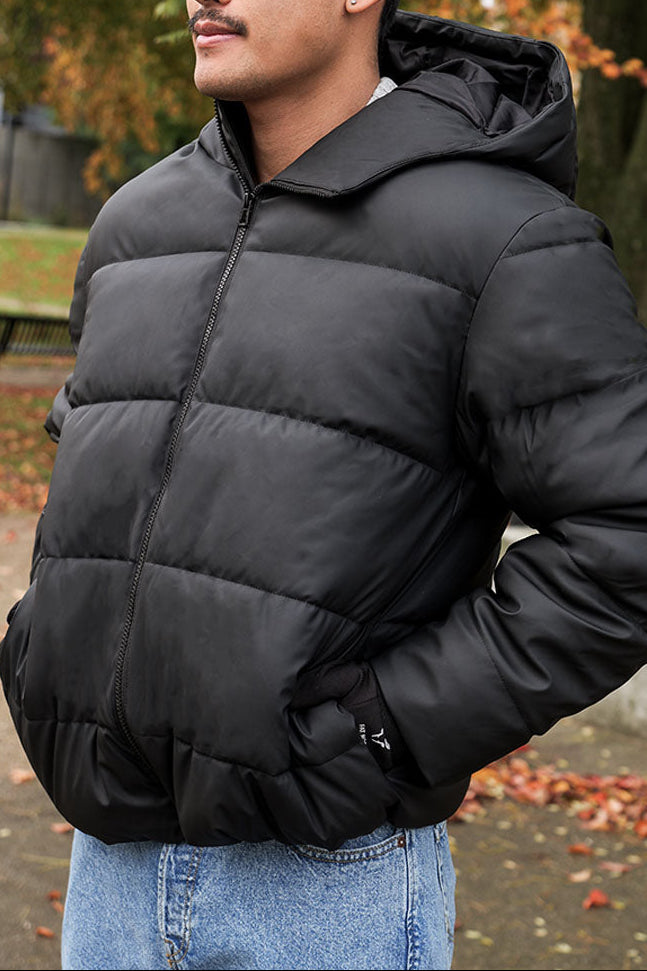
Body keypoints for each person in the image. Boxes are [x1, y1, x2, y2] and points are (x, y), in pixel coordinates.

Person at [2, 0, 647, 968]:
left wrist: (383, 730)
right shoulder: (137, 222)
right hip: (108, 877)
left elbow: (625, 538)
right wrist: (37, 644)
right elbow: (94, 462)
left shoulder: (505, 238)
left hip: (327, 893)